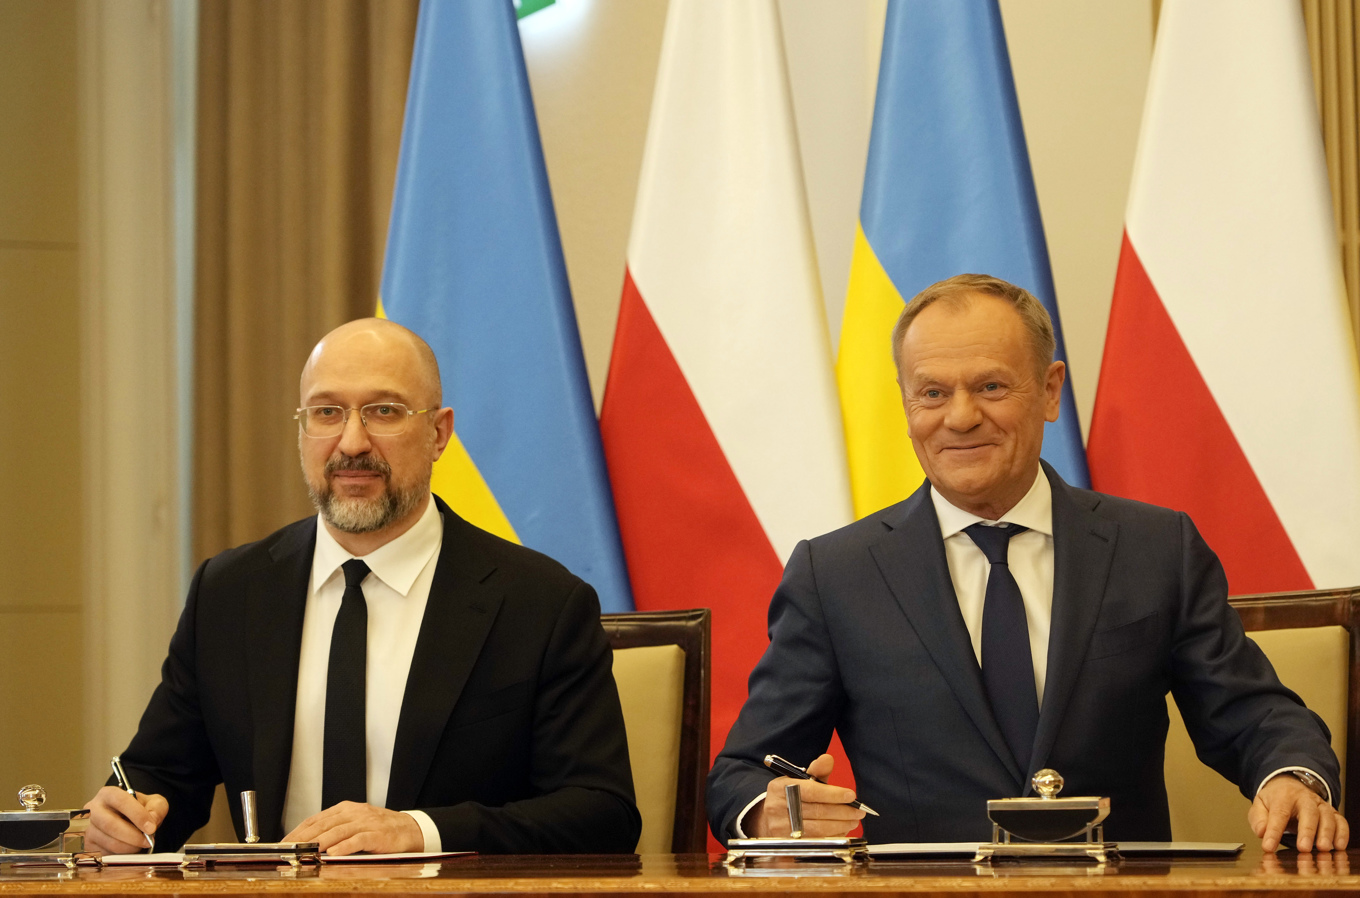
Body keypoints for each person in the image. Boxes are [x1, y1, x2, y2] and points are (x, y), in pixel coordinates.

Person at [707, 274, 1348, 852]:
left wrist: (1290, 777)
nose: (960, 417)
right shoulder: (836, 574)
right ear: (906, 406)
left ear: (1049, 390)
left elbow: (1253, 714)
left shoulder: (1155, 548)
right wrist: (770, 811)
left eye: (990, 386)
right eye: (932, 392)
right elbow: (743, 774)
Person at [84, 318, 640, 856]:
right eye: (327, 412)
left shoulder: (539, 603)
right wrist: (130, 818)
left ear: (439, 433)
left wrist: (418, 832)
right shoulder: (230, 593)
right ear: (303, 429)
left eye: (384, 411)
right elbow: (160, 779)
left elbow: (601, 812)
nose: (351, 443)